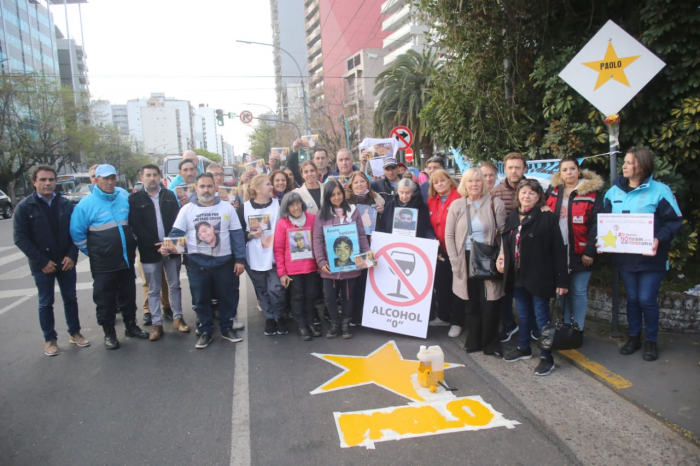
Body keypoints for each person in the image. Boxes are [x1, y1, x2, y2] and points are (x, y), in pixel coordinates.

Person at [601, 147, 682, 362]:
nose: (624, 166)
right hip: (626, 258)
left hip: (651, 257)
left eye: (629, 162)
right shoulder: (613, 191)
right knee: (633, 299)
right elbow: (604, 220)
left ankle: (651, 341)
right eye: (624, 162)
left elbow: (673, 222)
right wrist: (602, 240)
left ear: (642, 166)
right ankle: (634, 337)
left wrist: (658, 239)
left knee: (647, 299)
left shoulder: (660, 190)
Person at [70, 164, 149, 350]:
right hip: (103, 264)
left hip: (126, 260)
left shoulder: (123, 199)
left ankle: (131, 327)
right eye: (105, 178)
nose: (109, 182)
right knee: (105, 301)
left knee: (128, 297)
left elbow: (132, 225)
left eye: (112, 178)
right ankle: (109, 334)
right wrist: (95, 252)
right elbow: (77, 234)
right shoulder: (86, 205)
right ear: (96, 180)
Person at [165, 172, 246, 349]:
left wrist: (240, 259)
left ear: (215, 188)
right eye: (202, 186)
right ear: (196, 188)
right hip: (197, 263)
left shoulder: (227, 208)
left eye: (209, 186)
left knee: (227, 297)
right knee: (201, 299)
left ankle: (227, 327)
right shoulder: (187, 209)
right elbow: (176, 234)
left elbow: (237, 235)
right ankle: (205, 330)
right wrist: (167, 246)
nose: (206, 190)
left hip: (224, 262)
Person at [14, 165, 88, 356]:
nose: (47, 183)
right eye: (43, 180)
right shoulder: (25, 207)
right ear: (34, 182)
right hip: (43, 265)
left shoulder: (65, 204)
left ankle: (75, 333)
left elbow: (76, 232)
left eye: (51, 180)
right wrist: (41, 261)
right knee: (46, 302)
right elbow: (20, 238)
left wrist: (72, 255)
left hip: (66, 262)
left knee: (70, 298)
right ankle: (50, 339)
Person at [498, 179, 568, 376]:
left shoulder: (547, 218)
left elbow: (559, 251)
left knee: (542, 317)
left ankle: (547, 356)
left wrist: (562, 280)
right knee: (523, 314)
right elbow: (506, 242)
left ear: (538, 197)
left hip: (540, 277)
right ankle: (524, 348)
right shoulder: (513, 217)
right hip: (518, 277)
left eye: (531, 193)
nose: (526, 196)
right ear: (518, 195)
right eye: (523, 192)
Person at [445, 168, 506, 354]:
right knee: (470, 303)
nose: (474, 185)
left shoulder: (496, 203)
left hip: (488, 258)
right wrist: (454, 261)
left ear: (484, 183)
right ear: (464, 184)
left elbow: (504, 235)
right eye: (470, 181)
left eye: (478, 181)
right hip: (465, 258)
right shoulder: (457, 205)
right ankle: (473, 340)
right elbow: (449, 235)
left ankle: (490, 344)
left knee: (490, 302)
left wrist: (502, 257)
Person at [129, 164, 189, 341]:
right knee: (153, 289)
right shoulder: (134, 199)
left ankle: (178, 318)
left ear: (160, 177)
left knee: (174, 285)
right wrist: (156, 245)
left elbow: (177, 221)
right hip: (149, 251)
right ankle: (157, 324)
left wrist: (169, 242)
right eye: (148, 175)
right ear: (142, 177)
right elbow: (136, 226)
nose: (152, 178)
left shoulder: (169, 196)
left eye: (155, 175)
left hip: (171, 249)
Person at [545, 156, 604, 331]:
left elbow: (597, 225)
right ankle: (565, 326)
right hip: (557, 251)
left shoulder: (592, 193)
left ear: (579, 170)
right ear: (560, 173)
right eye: (564, 170)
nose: (568, 173)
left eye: (572, 169)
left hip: (581, 252)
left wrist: (590, 252)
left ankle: (577, 328)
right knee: (562, 291)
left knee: (578, 291)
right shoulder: (553, 191)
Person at [313, 180, 370, 339]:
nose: (337, 197)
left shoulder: (353, 212)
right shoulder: (321, 215)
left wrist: (367, 255)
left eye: (339, 193)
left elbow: (361, 236)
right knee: (329, 297)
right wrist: (321, 262)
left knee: (348, 295)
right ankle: (334, 323)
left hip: (350, 266)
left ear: (343, 194)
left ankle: (345, 323)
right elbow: (317, 240)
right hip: (329, 267)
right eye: (333, 195)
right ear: (328, 197)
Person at [237, 174, 286, 336]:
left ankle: (279, 316)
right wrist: (251, 235)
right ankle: (270, 319)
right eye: (268, 184)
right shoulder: (244, 208)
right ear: (257, 189)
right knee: (262, 290)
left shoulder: (279, 205)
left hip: (274, 256)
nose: (272, 186)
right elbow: (237, 235)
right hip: (254, 257)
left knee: (276, 290)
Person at [274, 192, 322, 341]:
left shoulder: (313, 219)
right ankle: (301, 325)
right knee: (297, 297)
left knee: (310, 296)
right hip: (293, 270)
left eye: (297, 203)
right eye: (291, 205)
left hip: (311, 267)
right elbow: (279, 249)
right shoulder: (283, 223)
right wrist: (282, 273)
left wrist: (321, 263)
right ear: (286, 208)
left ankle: (310, 323)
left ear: (302, 203)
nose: (295, 207)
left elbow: (319, 242)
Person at [491, 152, 528, 343]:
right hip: (504, 250)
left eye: (517, 167)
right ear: (504, 169)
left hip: (529, 251)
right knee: (505, 291)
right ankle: (508, 325)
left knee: (527, 291)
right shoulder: (496, 192)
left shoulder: (534, 189)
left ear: (524, 169)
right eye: (510, 167)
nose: (514, 171)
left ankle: (531, 327)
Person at [426, 169, 462, 332]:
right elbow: (428, 224)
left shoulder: (460, 198)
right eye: (435, 182)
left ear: (449, 180)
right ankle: (444, 316)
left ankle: (458, 320)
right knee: (442, 285)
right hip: (439, 251)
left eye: (442, 180)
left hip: (457, 250)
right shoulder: (431, 200)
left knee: (458, 286)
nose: (439, 184)